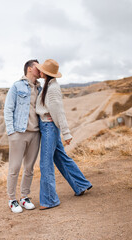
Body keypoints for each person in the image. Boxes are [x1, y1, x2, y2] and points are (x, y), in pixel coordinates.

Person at [35, 59, 92, 210]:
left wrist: (66, 133)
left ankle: (49, 200)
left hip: (49, 127)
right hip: (47, 126)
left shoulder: (52, 89)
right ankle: (80, 185)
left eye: (41, 69)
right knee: (61, 158)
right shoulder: (48, 85)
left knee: (45, 164)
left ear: (45, 73)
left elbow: (59, 112)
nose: (39, 71)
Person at [4, 59, 42, 213]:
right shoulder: (17, 86)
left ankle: (24, 197)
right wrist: (11, 132)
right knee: (14, 168)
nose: (41, 70)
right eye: (38, 68)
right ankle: (12, 199)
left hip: (35, 133)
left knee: (29, 168)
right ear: (30, 69)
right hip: (19, 133)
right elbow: (8, 109)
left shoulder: (40, 89)